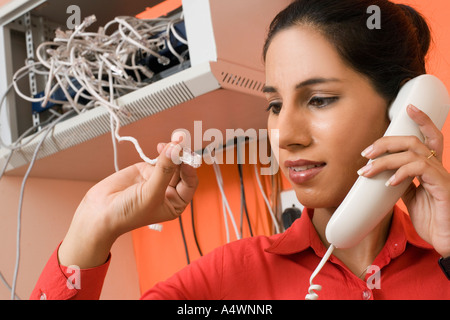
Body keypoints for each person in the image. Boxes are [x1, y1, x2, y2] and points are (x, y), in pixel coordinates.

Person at [31, 0, 449, 300]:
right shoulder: (226, 280)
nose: (285, 136)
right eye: (274, 105)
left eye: (319, 99)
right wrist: (91, 229)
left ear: (401, 111)